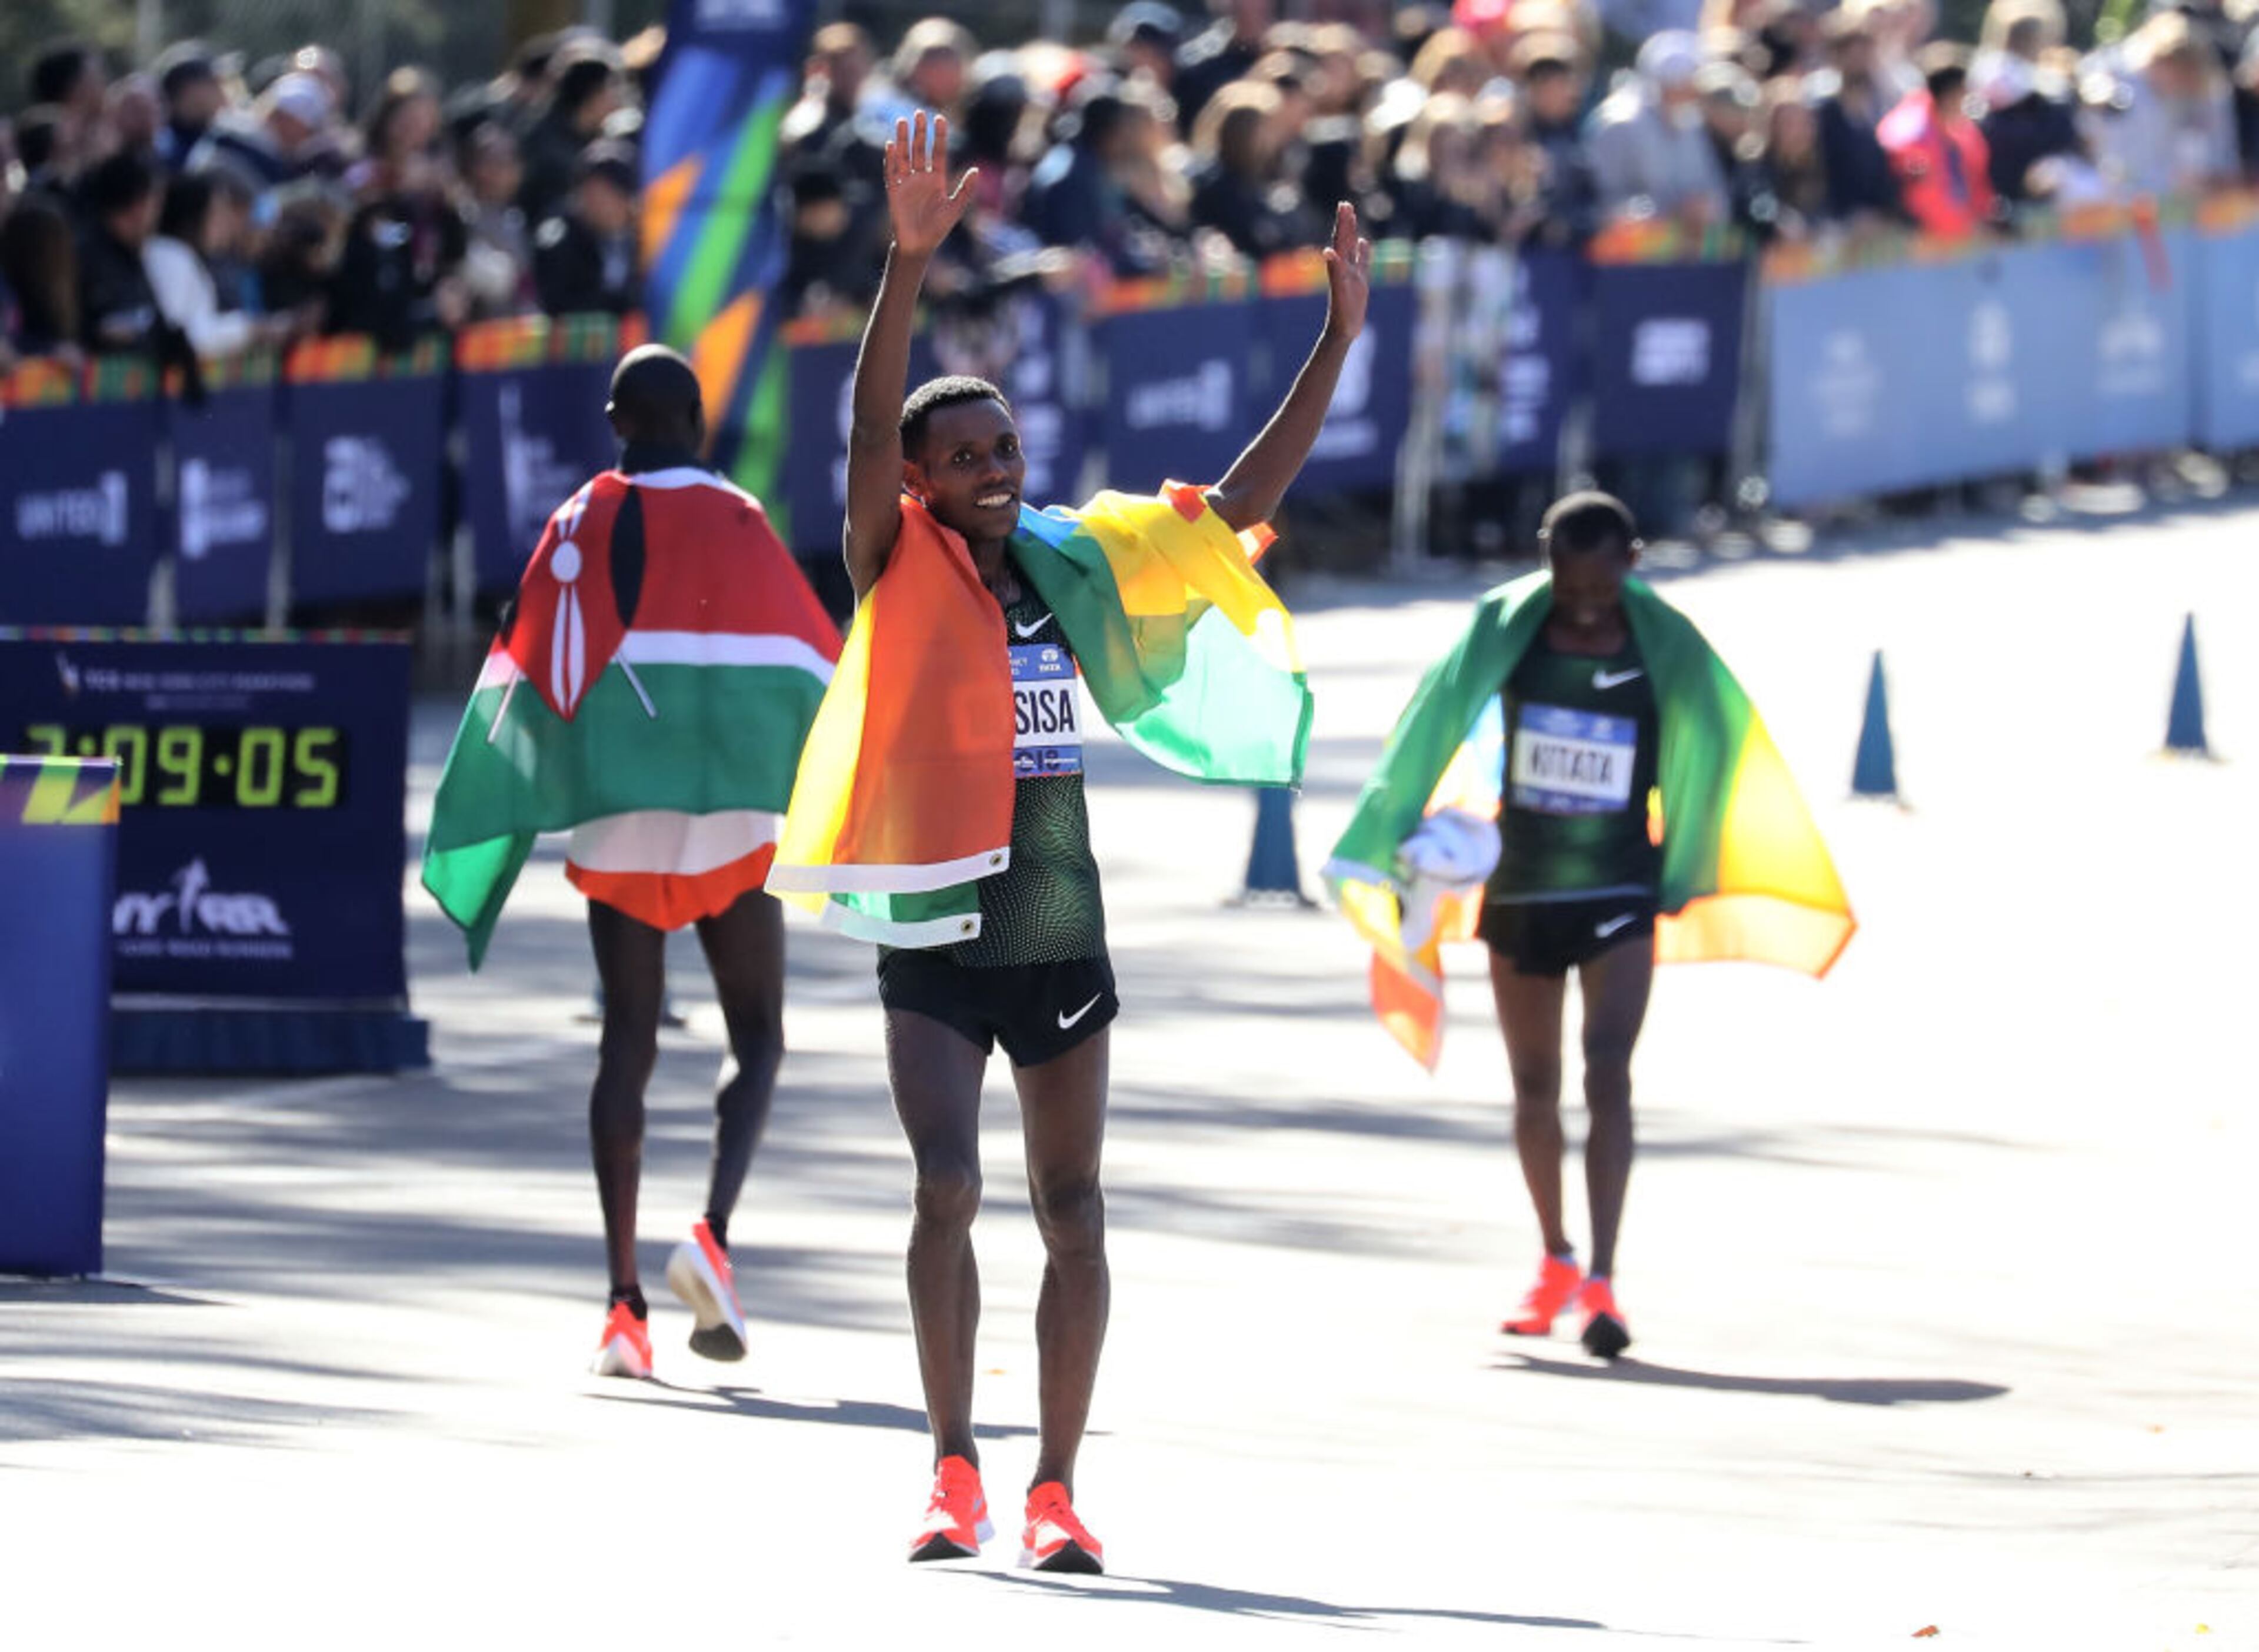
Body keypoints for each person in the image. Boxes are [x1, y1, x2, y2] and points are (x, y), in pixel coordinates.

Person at [770, 111, 1355, 1573]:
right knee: (947, 1189)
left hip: (1056, 928)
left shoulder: (1067, 563)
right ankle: (951, 1466)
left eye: (1003, 446)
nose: (991, 467)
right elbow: (861, 428)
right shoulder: (888, 562)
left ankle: (1056, 1489)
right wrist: (905, 270)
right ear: (918, 481)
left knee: (1073, 1208)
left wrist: (1334, 344)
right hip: (932, 929)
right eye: (960, 454)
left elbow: (1231, 513)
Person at [1322, 492, 1854, 1360]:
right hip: (1525, 892)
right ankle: (1556, 1257)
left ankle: (1603, 1277)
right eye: (1568, 593)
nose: (1582, 611)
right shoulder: (1509, 629)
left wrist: (1685, 852)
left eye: (1600, 596)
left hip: (1617, 890)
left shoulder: (1663, 643)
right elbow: (1433, 719)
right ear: (1547, 565)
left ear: (1631, 565)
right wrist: (1397, 831)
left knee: (1609, 1071)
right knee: (1535, 1088)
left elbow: (1719, 736)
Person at [422, 346, 841, 1380]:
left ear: (617, 422)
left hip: (618, 815)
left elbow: (527, 660)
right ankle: (711, 1235)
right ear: (695, 420)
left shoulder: (577, 520)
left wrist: (523, 796)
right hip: (731, 819)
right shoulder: (741, 516)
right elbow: (807, 659)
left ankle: (622, 1306)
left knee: (626, 1043)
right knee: (758, 1037)